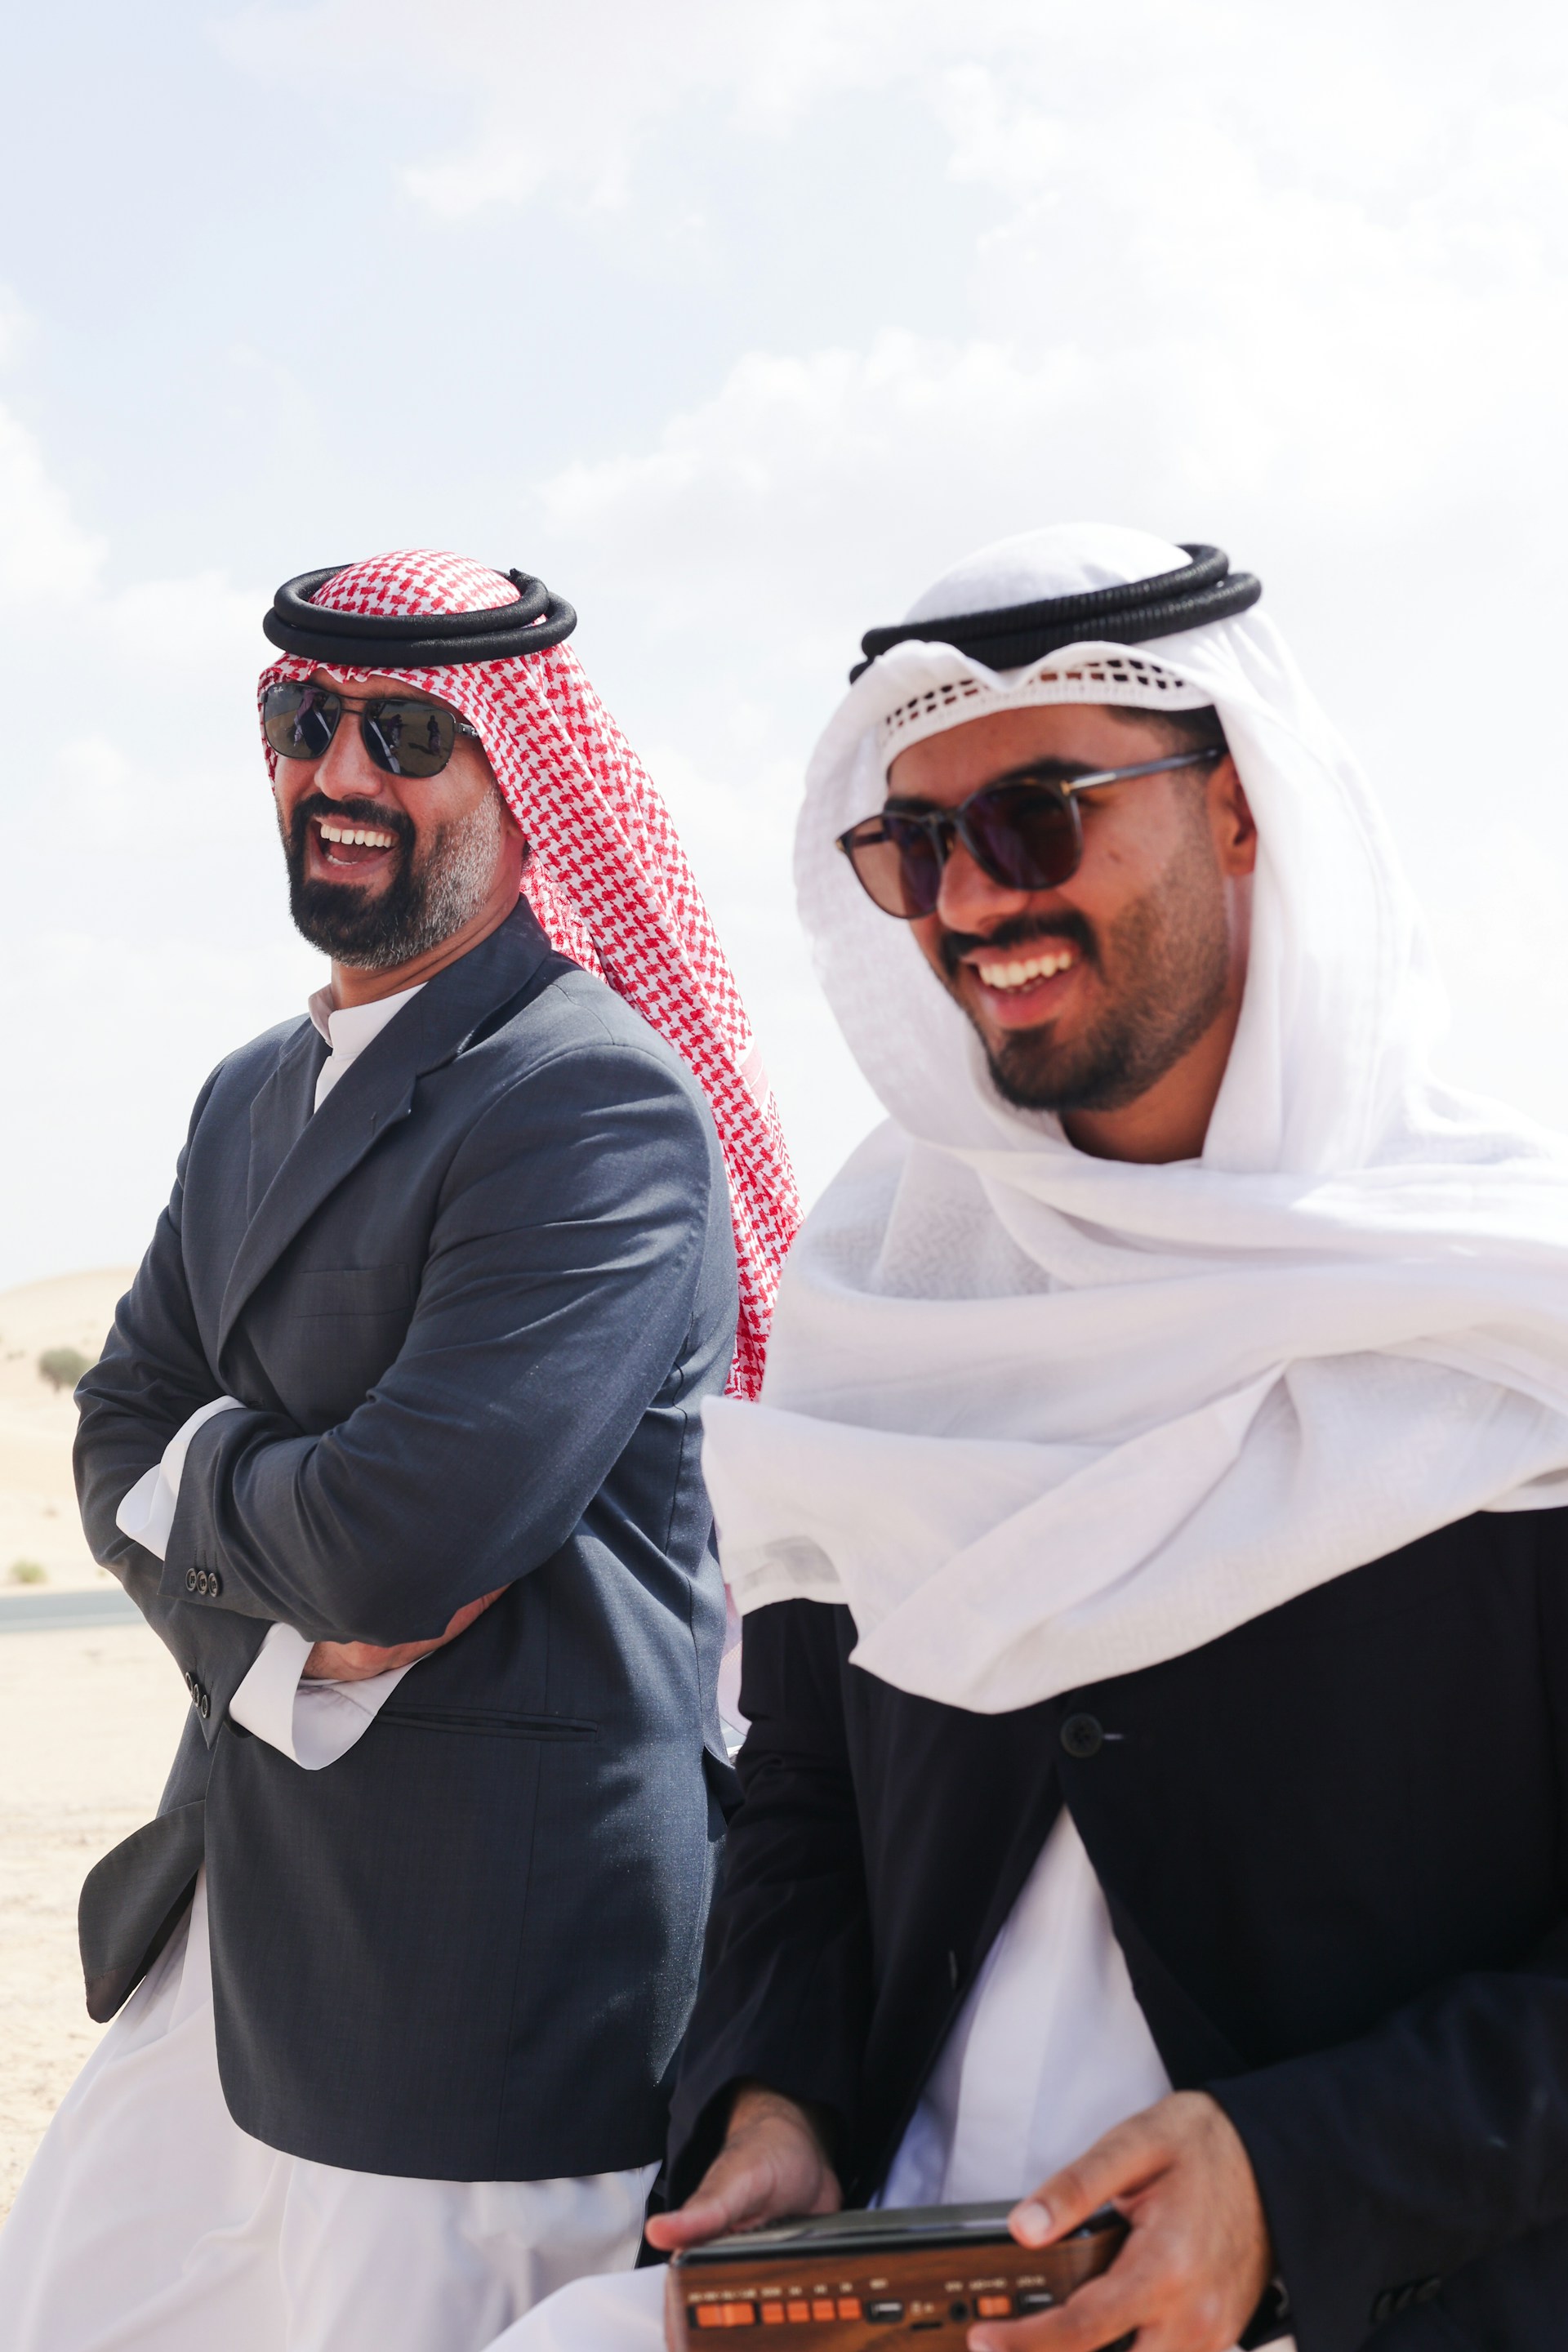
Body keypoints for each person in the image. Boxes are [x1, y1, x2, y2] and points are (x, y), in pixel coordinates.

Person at [492, 528, 1568, 2352]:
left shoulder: (1505, 1312)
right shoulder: (889, 1306)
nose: (972, 902)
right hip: (915, 2285)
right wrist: (771, 2100)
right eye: (916, 848)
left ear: (1241, 813)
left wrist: (1293, 2181)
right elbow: (809, 1800)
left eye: (1038, 815)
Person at [0, 550, 798, 2352]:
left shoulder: (588, 1100)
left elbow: (400, 1538)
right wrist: (281, 1646)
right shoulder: (244, 1097)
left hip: (479, 2000)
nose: (338, 772)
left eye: (409, 730)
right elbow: (114, 1432)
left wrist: (209, 1485)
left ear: (524, 776)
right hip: (232, 1923)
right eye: (302, 719)